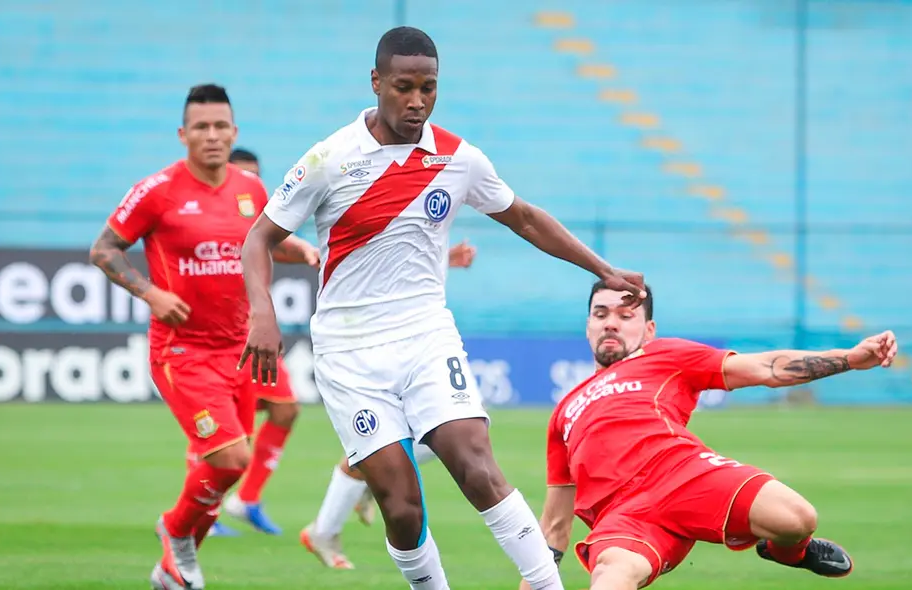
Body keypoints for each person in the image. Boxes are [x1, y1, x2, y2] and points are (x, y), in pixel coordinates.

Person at [237, 26, 645, 590]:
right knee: (401, 506)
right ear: (376, 82)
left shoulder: (458, 157)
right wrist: (261, 312)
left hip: (425, 335)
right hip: (349, 351)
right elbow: (258, 238)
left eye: (428, 88)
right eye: (403, 87)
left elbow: (525, 218)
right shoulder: (329, 158)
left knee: (476, 464)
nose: (417, 101)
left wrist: (603, 270)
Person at [521, 281, 899, 590]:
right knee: (611, 579)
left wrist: (849, 358)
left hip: (683, 474)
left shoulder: (666, 355)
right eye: (601, 314)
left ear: (648, 330)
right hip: (624, 518)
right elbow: (554, 525)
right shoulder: (564, 411)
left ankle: (789, 552)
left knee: (798, 518)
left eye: (625, 315)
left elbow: (764, 368)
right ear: (588, 325)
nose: (611, 323)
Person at [90, 83, 320, 590]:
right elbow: (104, 250)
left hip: (240, 350)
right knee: (231, 458)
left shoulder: (251, 189)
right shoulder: (157, 191)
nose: (212, 135)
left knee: (227, 468)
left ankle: (172, 567)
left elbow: (261, 245)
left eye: (220, 126)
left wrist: (299, 249)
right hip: (182, 351)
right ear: (183, 134)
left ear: (234, 132)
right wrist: (150, 293)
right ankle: (175, 531)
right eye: (201, 127)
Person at [301, 243, 478, 569]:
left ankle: (340, 513)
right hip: (368, 346)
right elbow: (375, 260)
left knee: (449, 430)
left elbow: (396, 258)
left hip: (409, 342)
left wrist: (444, 257)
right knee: (405, 437)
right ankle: (326, 528)